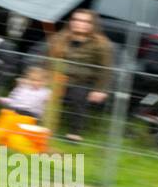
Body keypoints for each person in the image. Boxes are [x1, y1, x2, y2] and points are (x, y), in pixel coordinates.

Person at [42, 9, 114, 142]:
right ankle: (42, 127)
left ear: (93, 25)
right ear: (71, 22)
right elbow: (48, 60)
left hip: (82, 81)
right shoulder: (59, 38)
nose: (79, 23)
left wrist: (100, 90)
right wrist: (44, 78)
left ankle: (75, 132)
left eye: (85, 21)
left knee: (78, 96)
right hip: (57, 78)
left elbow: (106, 69)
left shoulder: (101, 44)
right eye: (76, 20)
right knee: (42, 93)